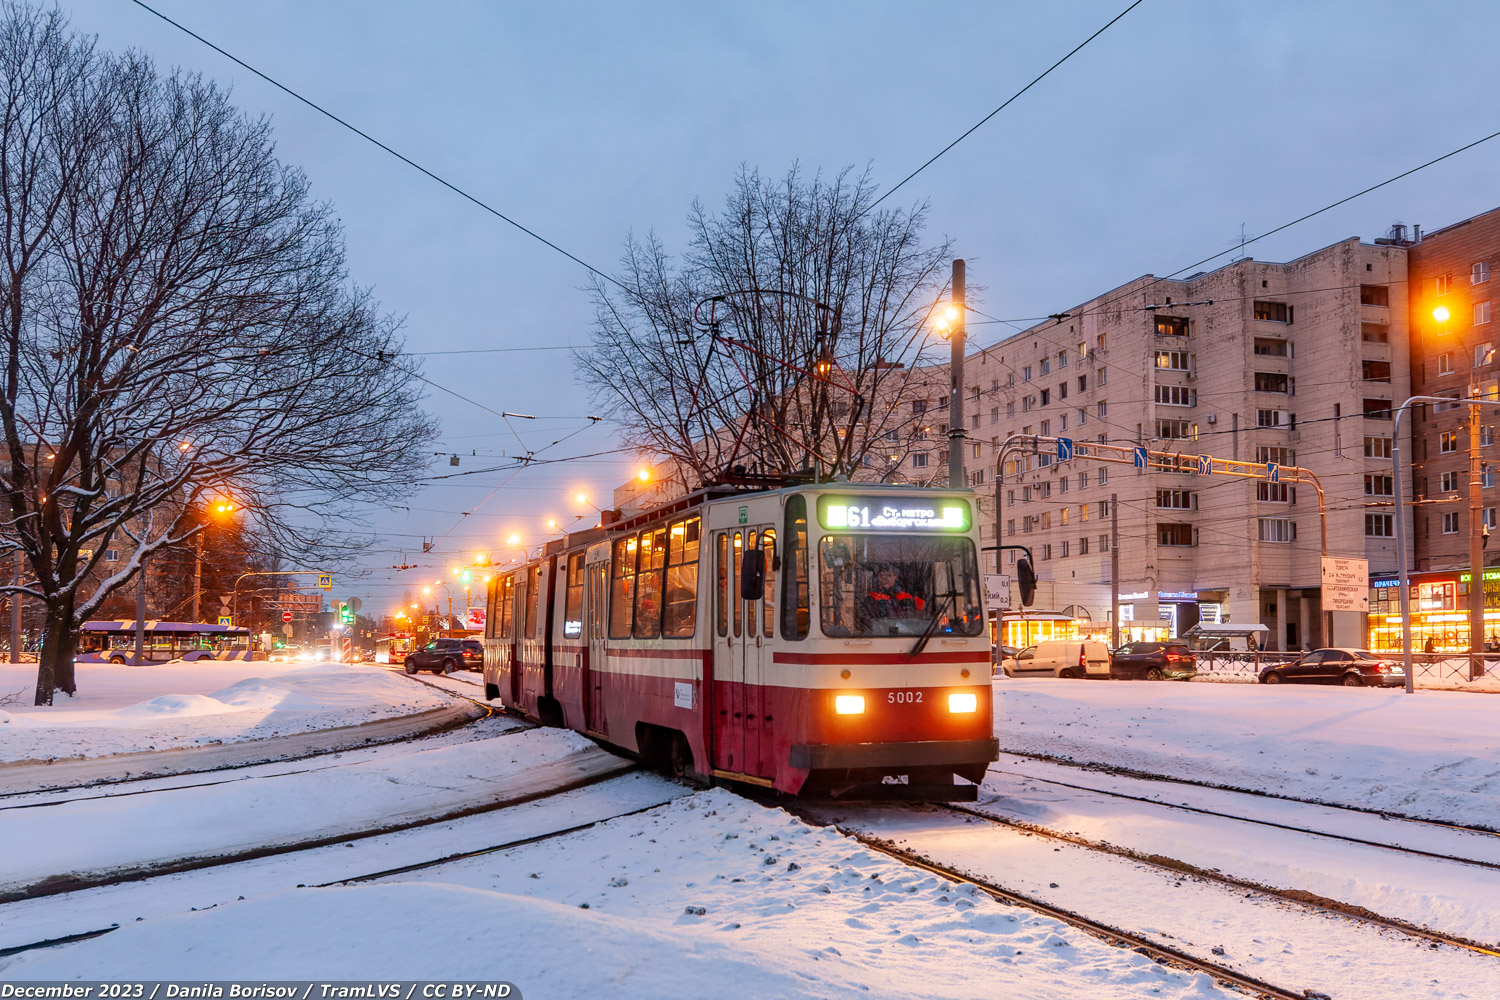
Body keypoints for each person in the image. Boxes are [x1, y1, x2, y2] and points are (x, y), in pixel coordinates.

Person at [858, 565, 926, 622]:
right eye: (881, 575)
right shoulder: (871, 598)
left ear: (896, 577)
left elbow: (923, 616)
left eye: (889, 575)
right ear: (877, 578)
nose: (884, 578)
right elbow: (867, 621)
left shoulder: (906, 597)